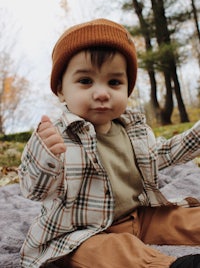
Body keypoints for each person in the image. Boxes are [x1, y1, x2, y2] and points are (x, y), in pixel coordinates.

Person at [18, 18, 200, 268]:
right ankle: (174, 265)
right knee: (109, 252)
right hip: (82, 233)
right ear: (61, 89)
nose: (102, 93)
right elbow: (33, 190)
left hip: (139, 216)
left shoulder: (132, 130)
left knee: (184, 218)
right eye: (85, 81)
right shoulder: (55, 137)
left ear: (127, 89)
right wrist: (45, 158)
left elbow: (164, 153)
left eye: (114, 82)